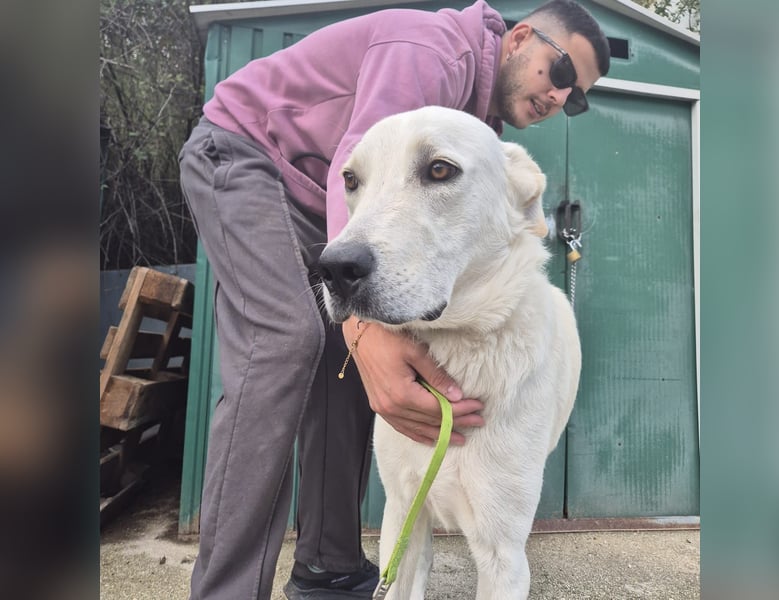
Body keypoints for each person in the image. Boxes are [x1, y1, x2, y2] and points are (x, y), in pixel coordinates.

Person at [178, 1, 609, 598]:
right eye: (562, 73)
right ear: (520, 38)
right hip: (244, 152)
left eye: (579, 96)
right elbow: (356, 157)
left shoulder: (473, 125)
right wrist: (365, 331)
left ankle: (327, 568)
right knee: (289, 340)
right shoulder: (433, 48)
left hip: (321, 199)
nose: (563, 97)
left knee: (345, 360)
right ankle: (224, 590)